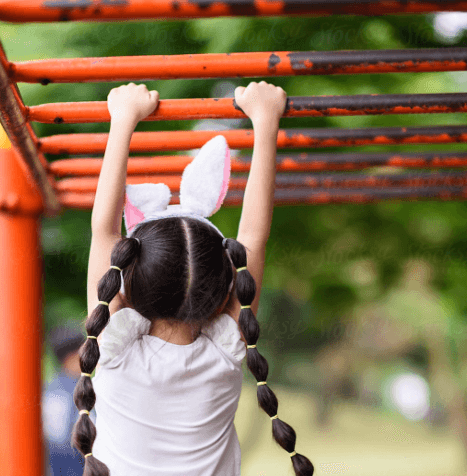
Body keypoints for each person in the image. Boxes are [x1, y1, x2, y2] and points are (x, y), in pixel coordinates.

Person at [70, 81, 314, 476]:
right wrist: (266, 119)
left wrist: (124, 120)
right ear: (224, 290)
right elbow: (254, 235)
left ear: (125, 281)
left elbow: (103, 232)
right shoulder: (227, 350)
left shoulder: (114, 346)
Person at [44, 322, 96, 476]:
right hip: (76, 467)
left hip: (52, 466)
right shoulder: (83, 391)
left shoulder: (48, 388)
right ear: (72, 356)